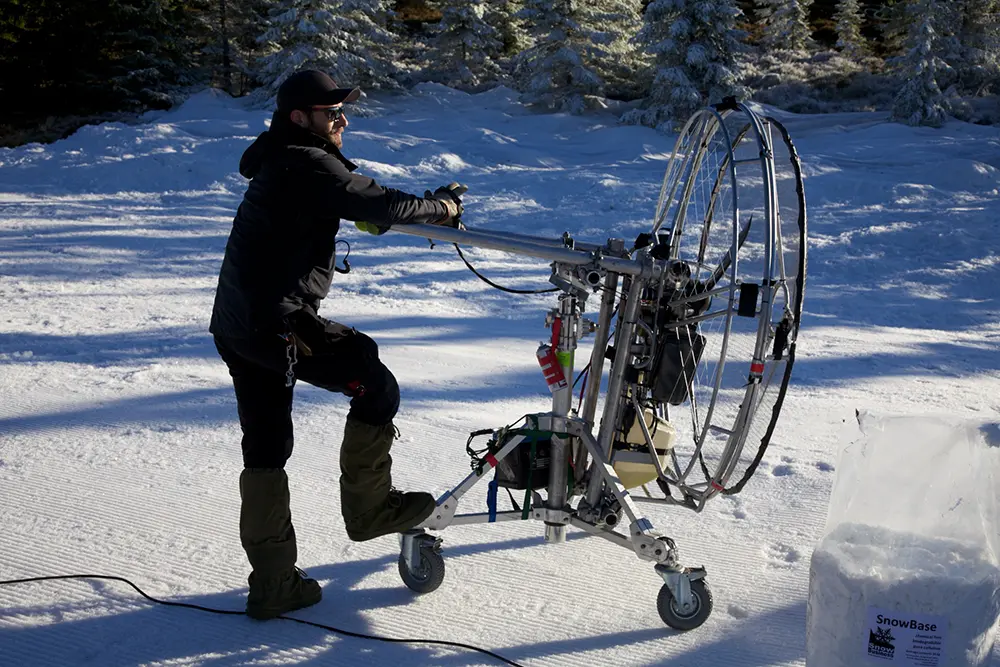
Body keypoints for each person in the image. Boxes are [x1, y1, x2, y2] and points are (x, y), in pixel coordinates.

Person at [210, 69, 464, 620]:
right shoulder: (305, 161)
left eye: (344, 113)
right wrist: (440, 209)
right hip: (277, 323)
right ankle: (370, 510)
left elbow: (353, 206)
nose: (342, 121)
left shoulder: (284, 157)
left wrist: (389, 213)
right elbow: (374, 205)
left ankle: (274, 582)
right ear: (300, 117)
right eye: (333, 113)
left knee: (266, 446)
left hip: (237, 323)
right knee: (375, 384)